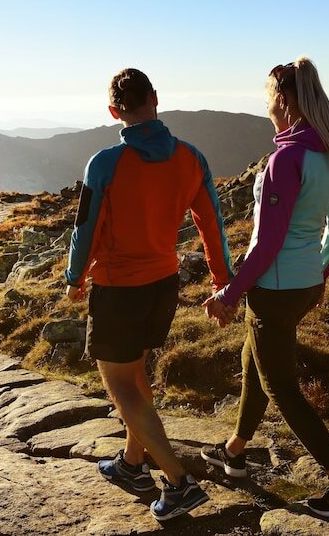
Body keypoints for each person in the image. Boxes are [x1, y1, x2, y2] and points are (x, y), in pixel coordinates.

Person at [202, 57, 329, 519]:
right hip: (302, 284)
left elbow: (267, 242)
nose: (265, 106)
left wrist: (230, 293)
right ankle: (235, 453)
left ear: (281, 101)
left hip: (274, 287)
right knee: (254, 359)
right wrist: (321, 274)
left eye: (267, 98)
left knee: (281, 386)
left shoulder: (286, 158)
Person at [65, 68, 233, 522]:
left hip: (119, 287)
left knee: (121, 386)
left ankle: (178, 482)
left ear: (114, 111)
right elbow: (211, 224)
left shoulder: (104, 163)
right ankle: (132, 464)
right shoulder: (192, 158)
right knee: (136, 375)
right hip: (163, 283)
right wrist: (223, 282)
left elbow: (85, 227)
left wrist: (74, 277)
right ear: (156, 99)